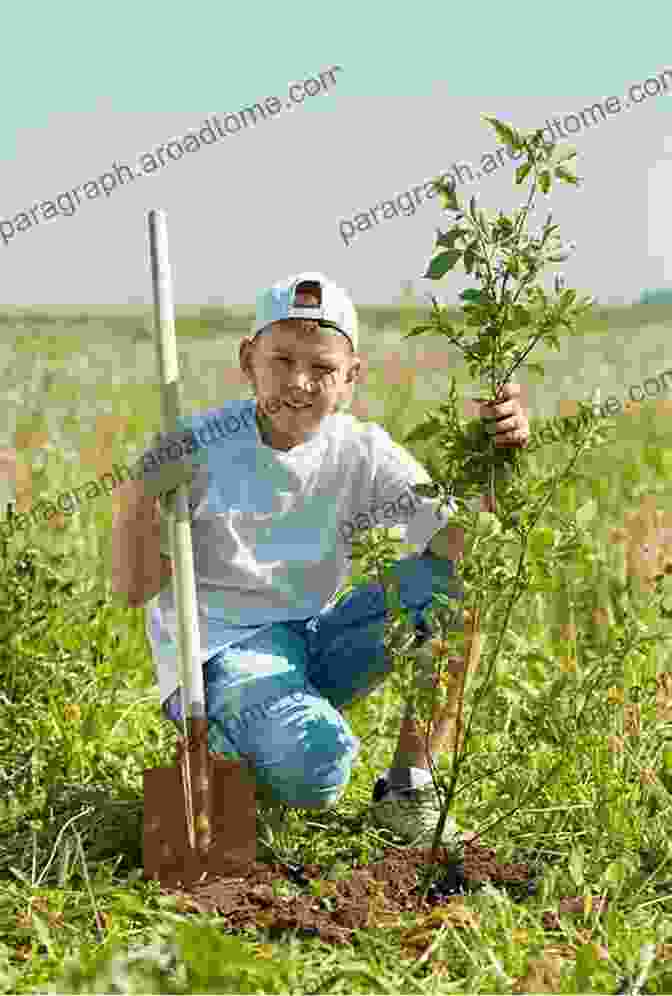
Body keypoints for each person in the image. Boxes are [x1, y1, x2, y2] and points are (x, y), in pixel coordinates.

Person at [111, 272, 529, 853]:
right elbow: (135, 590)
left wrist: (497, 456)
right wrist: (138, 495)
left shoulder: (363, 450)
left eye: (322, 368)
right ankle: (238, 745)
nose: (298, 384)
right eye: (280, 360)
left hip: (315, 638)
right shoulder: (198, 447)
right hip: (222, 653)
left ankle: (409, 790)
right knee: (319, 771)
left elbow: (461, 547)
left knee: (455, 586)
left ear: (351, 377)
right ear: (247, 360)